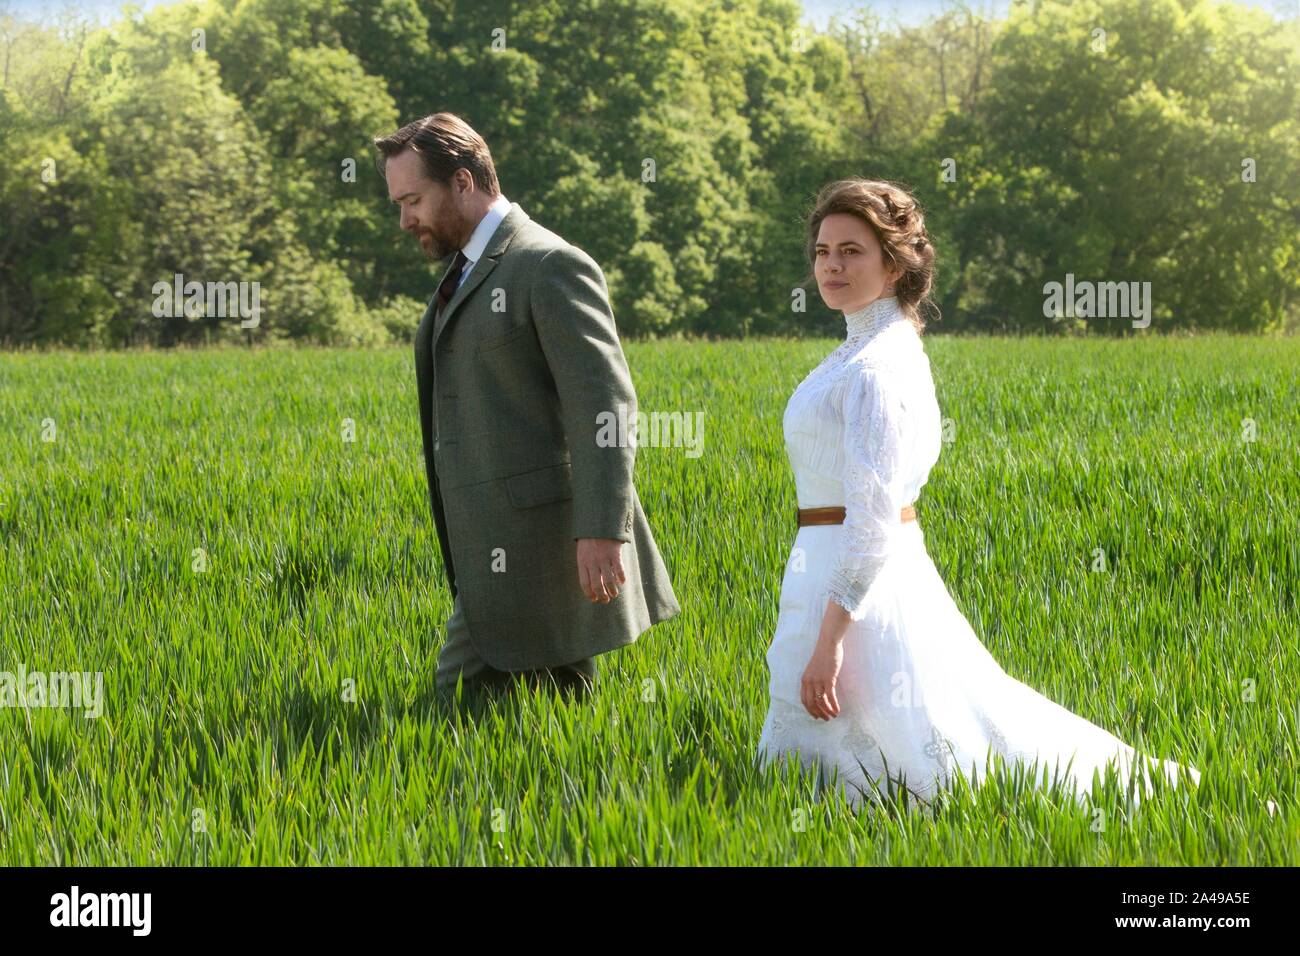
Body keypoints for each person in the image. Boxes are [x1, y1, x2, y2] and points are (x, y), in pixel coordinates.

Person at [755, 177, 1204, 809]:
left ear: (894, 262)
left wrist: (829, 642)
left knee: (912, 749)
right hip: (823, 566)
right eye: (824, 250)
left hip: (856, 585)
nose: (831, 264)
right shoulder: (860, 351)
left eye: (851, 251)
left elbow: (873, 522)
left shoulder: (878, 367)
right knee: (861, 746)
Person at [373, 112, 681, 700]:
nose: (405, 218)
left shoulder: (548, 265)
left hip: (542, 543)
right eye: (398, 203)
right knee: (553, 708)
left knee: (458, 700)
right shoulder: (463, 273)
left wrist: (600, 529)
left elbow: (606, 404)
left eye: (412, 199)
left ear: (463, 181)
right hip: (492, 544)